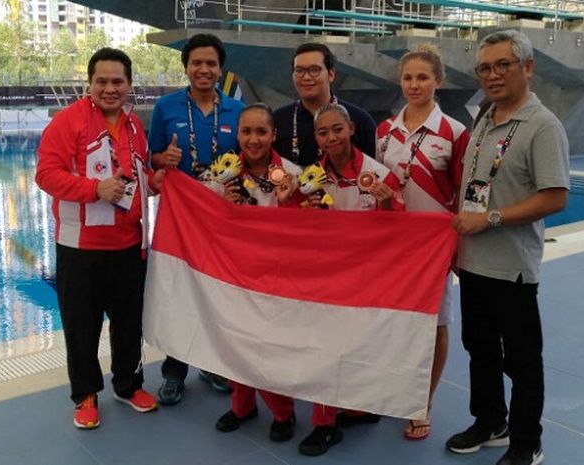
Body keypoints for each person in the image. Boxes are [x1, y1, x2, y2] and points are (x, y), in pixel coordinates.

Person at [447, 30, 569, 465]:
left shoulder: (543, 126)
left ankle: (525, 441)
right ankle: (489, 421)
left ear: (527, 67)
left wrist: (490, 218)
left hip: (513, 270)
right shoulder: (484, 117)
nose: (493, 75)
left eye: (503, 65)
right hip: (474, 263)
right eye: (485, 67)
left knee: (521, 361)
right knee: (479, 350)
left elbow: (555, 197)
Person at [35, 48, 158, 429]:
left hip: (128, 245)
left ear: (129, 85)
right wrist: (93, 189)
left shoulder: (135, 126)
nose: (110, 88)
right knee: (82, 326)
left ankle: (127, 384)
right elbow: (45, 175)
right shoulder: (67, 122)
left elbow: (139, 180)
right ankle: (86, 394)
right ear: (89, 84)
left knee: (129, 324)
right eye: (102, 81)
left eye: (117, 81)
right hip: (80, 248)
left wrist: (158, 178)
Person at [376, 43, 470, 441]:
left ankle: (422, 402)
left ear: (439, 81)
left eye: (423, 77)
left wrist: (455, 246)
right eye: (408, 77)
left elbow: (464, 194)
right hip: (393, 244)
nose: (415, 85)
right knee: (392, 322)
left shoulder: (455, 132)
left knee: (435, 325)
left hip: (433, 247)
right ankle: (395, 389)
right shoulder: (384, 132)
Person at [297, 103, 402, 457]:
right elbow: (295, 230)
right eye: (323, 132)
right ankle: (324, 425)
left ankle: (358, 408)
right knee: (322, 348)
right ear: (316, 137)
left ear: (352, 128)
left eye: (337, 129)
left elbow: (398, 230)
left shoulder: (378, 175)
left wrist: (387, 205)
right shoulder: (309, 177)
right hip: (325, 279)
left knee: (359, 347)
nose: (331, 138)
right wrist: (304, 214)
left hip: (366, 279)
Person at [148, 33, 245, 405]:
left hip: (222, 221)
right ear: (186, 67)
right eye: (197, 63)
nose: (204, 69)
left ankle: (213, 364)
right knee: (178, 293)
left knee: (217, 292)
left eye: (211, 63)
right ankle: (174, 372)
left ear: (221, 69)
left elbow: (249, 157)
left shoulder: (236, 110)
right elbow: (152, 156)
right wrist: (162, 160)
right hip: (180, 220)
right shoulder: (166, 108)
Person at [213, 103, 299, 442]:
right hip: (235, 273)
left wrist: (290, 201)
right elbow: (203, 211)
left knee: (269, 348)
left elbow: (310, 229)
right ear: (237, 134)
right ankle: (242, 405)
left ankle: (283, 411)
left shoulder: (292, 174)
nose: (253, 139)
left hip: (276, 279)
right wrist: (224, 203)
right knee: (235, 341)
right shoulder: (224, 172)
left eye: (261, 131)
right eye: (246, 131)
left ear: (273, 134)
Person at [273, 43, 376, 167]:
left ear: (331, 74)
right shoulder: (278, 120)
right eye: (299, 71)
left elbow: (374, 172)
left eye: (314, 70)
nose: (306, 77)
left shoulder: (359, 120)